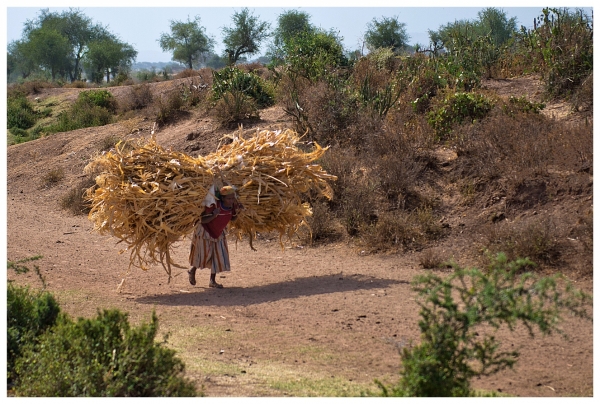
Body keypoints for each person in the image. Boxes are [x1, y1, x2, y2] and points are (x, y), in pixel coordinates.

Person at [188, 185, 243, 288]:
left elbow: (232, 219)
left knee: (217, 256)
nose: (231, 200)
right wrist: (214, 215)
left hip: (218, 233)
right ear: (222, 198)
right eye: (229, 198)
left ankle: (212, 281)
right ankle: (193, 270)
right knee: (203, 254)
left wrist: (238, 212)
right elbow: (202, 220)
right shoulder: (214, 205)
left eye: (232, 198)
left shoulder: (233, 206)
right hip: (205, 232)